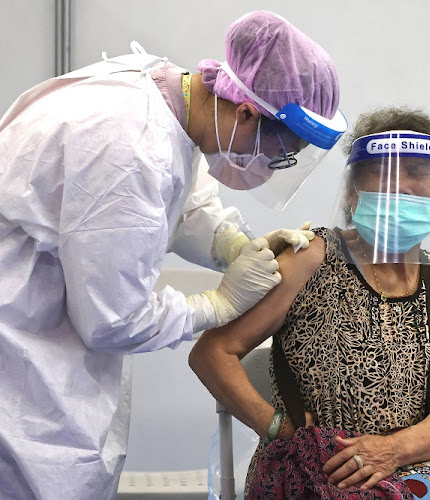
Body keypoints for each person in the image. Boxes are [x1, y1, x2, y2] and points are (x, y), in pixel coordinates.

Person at [0, 11, 346, 499]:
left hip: (46, 341)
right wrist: (218, 304)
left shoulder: (169, 96)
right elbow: (112, 320)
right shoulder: (129, 145)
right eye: (279, 151)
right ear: (245, 112)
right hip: (21, 365)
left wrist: (233, 244)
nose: (272, 165)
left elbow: (175, 201)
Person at [189, 107, 430, 498]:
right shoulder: (311, 257)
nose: (399, 186)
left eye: (417, 171)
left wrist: (392, 450)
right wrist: (279, 427)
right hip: (317, 476)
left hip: (420, 476)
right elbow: (213, 353)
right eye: (382, 172)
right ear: (351, 193)